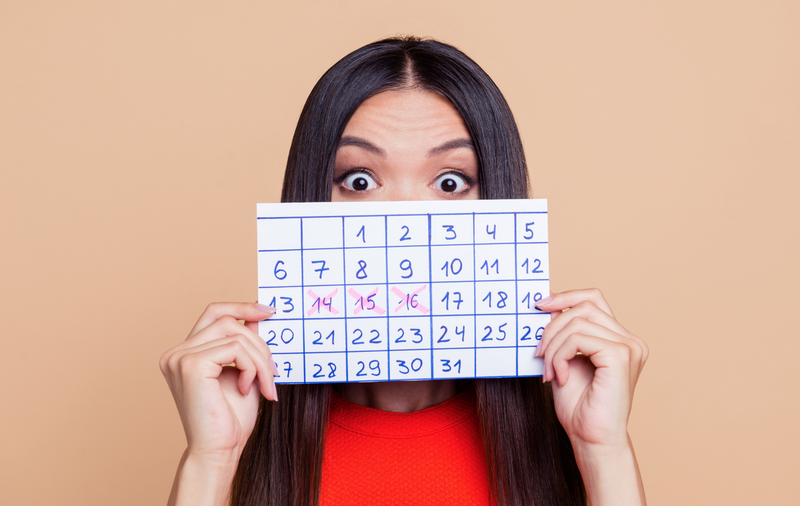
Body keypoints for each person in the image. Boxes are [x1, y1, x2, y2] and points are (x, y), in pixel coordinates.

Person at [160, 36, 649, 506]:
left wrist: (605, 453)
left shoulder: (561, 430)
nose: (406, 221)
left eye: (451, 182)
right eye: (359, 180)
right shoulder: (249, 429)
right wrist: (209, 461)